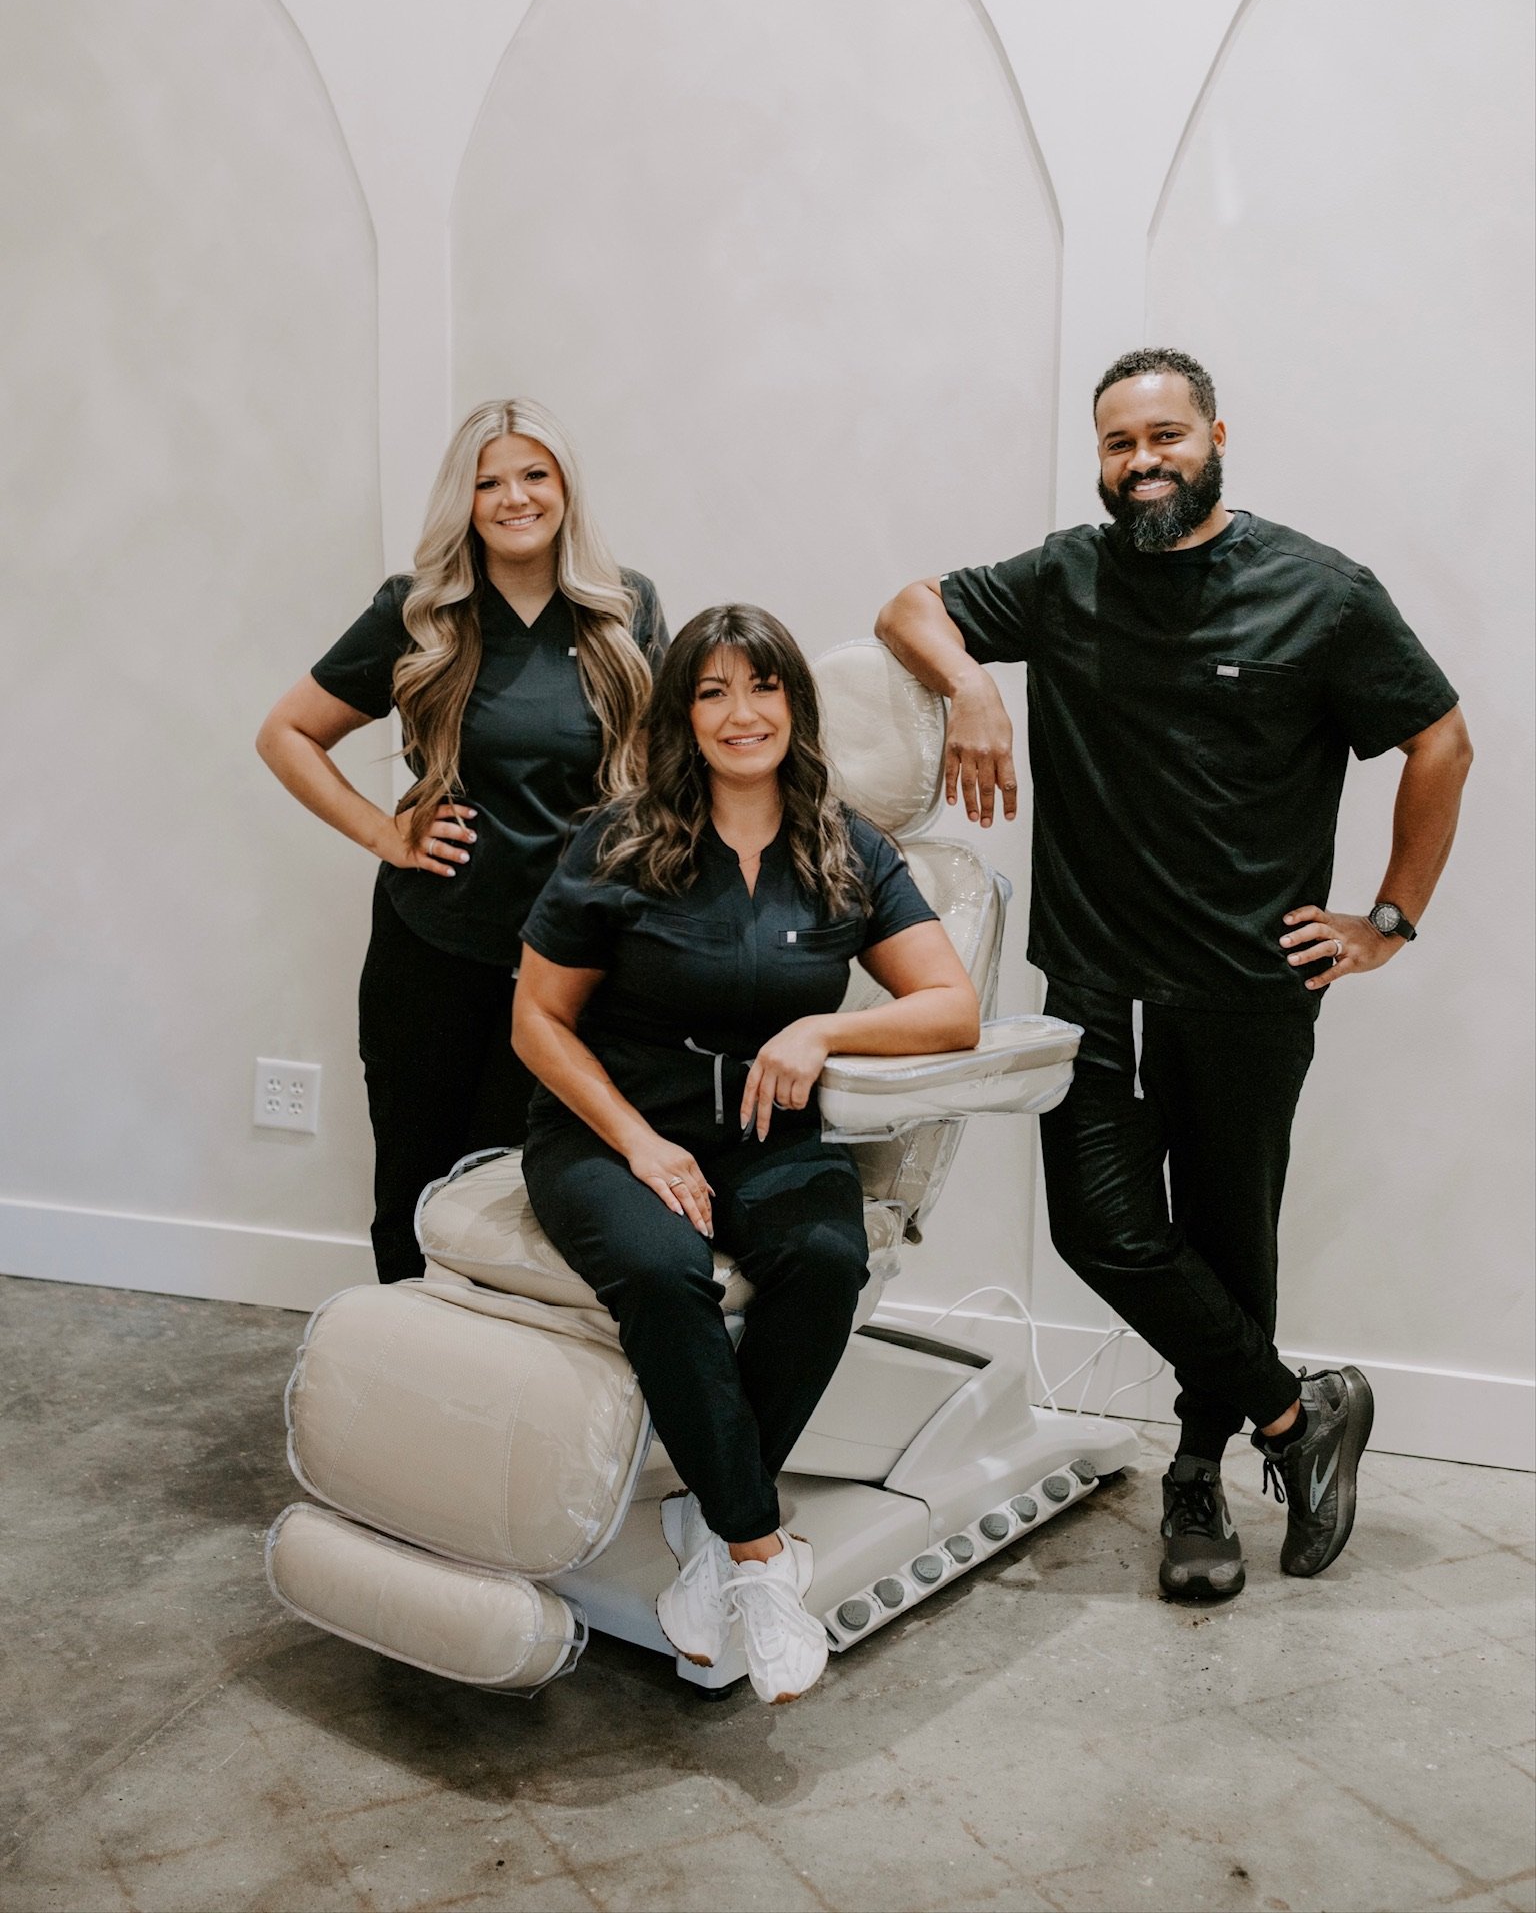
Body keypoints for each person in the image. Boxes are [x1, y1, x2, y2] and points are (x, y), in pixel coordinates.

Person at [876, 347, 1471, 1603]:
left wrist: (1387, 921)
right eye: (1118, 445)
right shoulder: (1064, 577)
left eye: (1165, 438)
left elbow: (1439, 739)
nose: (1142, 463)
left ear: (1215, 436)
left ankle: (1195, 1482)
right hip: (1090, 973)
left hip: (1245, 987)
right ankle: (1298, 1417)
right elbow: (906, 606)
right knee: (1103, 1228)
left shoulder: (1322, 593)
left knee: (1224, 1239)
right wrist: (974, 688)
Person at [512, 603, 980, 1703]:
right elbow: (537, 1020)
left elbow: (950, 1007)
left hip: (770, 1138)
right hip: (609, 1133)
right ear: (684, 715)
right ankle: (761, 1558)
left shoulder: (846, 845)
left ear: (793, 706)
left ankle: (711, 1521)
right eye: (712, 691)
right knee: (670, 1270)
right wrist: (640, 1146)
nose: (740, 713)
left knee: (825, 1258)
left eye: (761, 687)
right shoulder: (621, 840)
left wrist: (825, 1027)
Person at [256, 398, 666, 1283]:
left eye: (533, 475)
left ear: (564, 488)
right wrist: (385, 832)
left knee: (522, 1194)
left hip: (569, 964)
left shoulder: (622, 609)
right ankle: (397, 1382)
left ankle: (497, 1399)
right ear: (463, 500)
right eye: (488, 482)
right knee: (415, 1181)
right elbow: (286, 734)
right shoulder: (421, 611)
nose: (513, 498)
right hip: (433, 950)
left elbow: (671, 776)